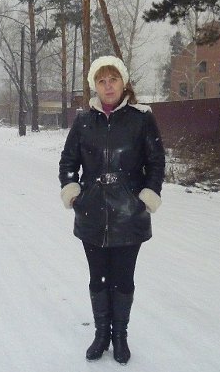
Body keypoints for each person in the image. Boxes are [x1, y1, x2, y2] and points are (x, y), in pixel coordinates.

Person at [58, 55, 165, 364]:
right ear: (95, 85)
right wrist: (74, 192)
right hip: (91, 213)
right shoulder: (83, 121)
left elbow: (156, 161)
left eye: (113, 79)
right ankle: (101, 334)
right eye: (102, 81)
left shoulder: (142, 118)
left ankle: (120, 337)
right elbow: (68, 162)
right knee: (98, 278)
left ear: (123, 83)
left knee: (123, 279)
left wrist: (146, 196)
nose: (108, 86)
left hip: (129, 214)